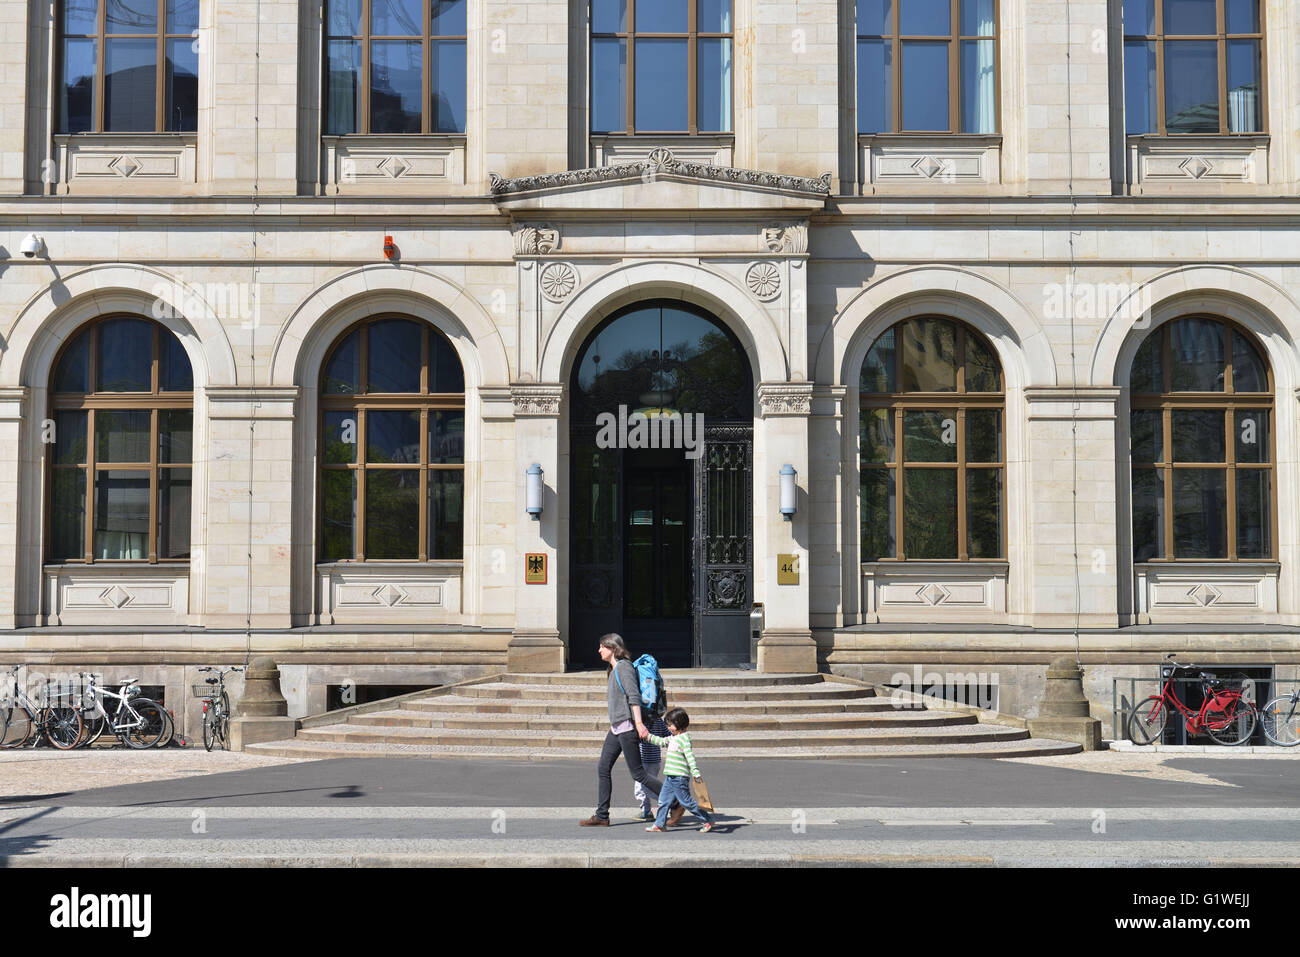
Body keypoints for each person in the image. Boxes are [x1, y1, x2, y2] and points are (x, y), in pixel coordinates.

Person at [579, 634, 664, 826]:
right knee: (603, 767)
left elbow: (634, 696)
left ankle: (675, 802)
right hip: (616, 727)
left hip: (627, 726)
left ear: (612, 647)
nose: (599, 650)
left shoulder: (624, 667)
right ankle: (602, 816)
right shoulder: (613, 668)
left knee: (638, 774)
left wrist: (639, 723)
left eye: (602, 647)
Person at [643, 707, 714, 833]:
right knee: (663, 801)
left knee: (686, 802)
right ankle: (659, 824)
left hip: (680, 777)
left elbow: (690, 757)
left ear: (679, 724)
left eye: (670, 725)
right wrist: (647, 736)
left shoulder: (684, 739)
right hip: (670, 776)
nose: (668, 727)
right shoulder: (672, 738)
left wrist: (695, 772)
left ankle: (707, 819)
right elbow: (660, 741)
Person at [634, 712, 670, 821]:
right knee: (647, 786)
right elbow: (668, 734)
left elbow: (637, 738)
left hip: (643, 760)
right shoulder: (658, 720)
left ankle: (670, 801)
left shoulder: (641, 722)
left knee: (642, 789)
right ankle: (646, 810)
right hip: (655, 760)